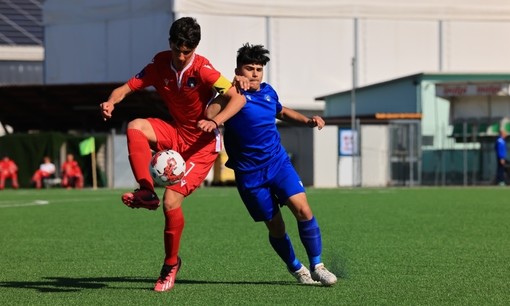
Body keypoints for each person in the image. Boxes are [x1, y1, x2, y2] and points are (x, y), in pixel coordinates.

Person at [99, 17, 248, 292]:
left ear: (195, 49)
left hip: (203, 146)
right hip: (178, 134)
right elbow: (126, 88)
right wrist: (111, 101)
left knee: (171, 201)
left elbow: (237, 98)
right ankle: (145, 190)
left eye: (187, 52)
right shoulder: (159, 64)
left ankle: (170, 264)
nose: (181, 56)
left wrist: (215, 121)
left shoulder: (204, 71)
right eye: (177, 49)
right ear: (170, 43)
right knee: (136, 126)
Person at [206, 43, 337, 286]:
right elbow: (209, 114)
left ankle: (317, 265)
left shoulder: (268, 91)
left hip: (278, 163)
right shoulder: (232, 95)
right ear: (238, 71)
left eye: (259, 69)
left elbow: (282, 111)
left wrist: (307, 121)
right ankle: (297, 270)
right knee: (276, 227)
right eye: (249, 68)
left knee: (303, 210)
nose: (255, 73)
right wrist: (227, 88)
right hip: (249, 175)